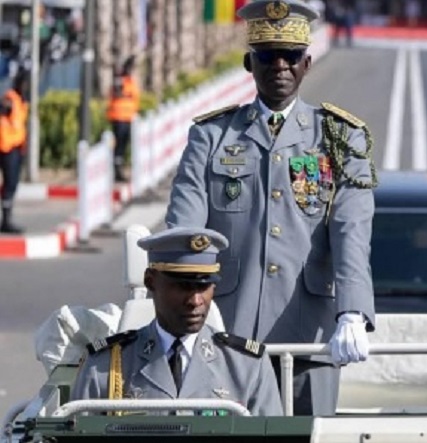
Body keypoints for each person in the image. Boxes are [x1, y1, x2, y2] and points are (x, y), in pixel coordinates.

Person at [165, 0, 377, 416]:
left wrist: (352, 310)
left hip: (310, 333)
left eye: (291, 56)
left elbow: (351, 229)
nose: (279, 66)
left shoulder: (338, 137)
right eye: (267, 56)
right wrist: (185, 309)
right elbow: (186, 232)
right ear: (249, 63)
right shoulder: (211, 136)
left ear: (307, 64)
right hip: (227, 333)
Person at [71, 227, 283, 416]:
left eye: (204, 287)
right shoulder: (104, 367)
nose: (196, 301)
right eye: (183, 287)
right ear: (150, 282)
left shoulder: (247, 367)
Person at [0, 71, 29, 233]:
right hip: (6, 148)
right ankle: (6, 220)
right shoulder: (10, 98)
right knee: (9, 184)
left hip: (16, 148)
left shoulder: (22, 101)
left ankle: (7, 219)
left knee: (11, 184)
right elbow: (3, 107)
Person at [107, 55, 140, 183]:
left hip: (128, 117)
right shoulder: (120, 81)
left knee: (124, 144)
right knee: (119, 145)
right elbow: (117, 92)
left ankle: (120, 168)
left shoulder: (130, 81)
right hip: (119, 117)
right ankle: (116, 171)